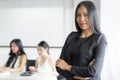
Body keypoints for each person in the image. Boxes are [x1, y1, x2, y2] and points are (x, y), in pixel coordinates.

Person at [56, 1, 107, 80]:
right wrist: (78, 76)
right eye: (78, 15)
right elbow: (59, 66)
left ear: (93, 16)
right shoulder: (71, 36)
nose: (81, 19)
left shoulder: (100, 39)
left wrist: (67, 67)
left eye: (86, 15)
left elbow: (93, 71)